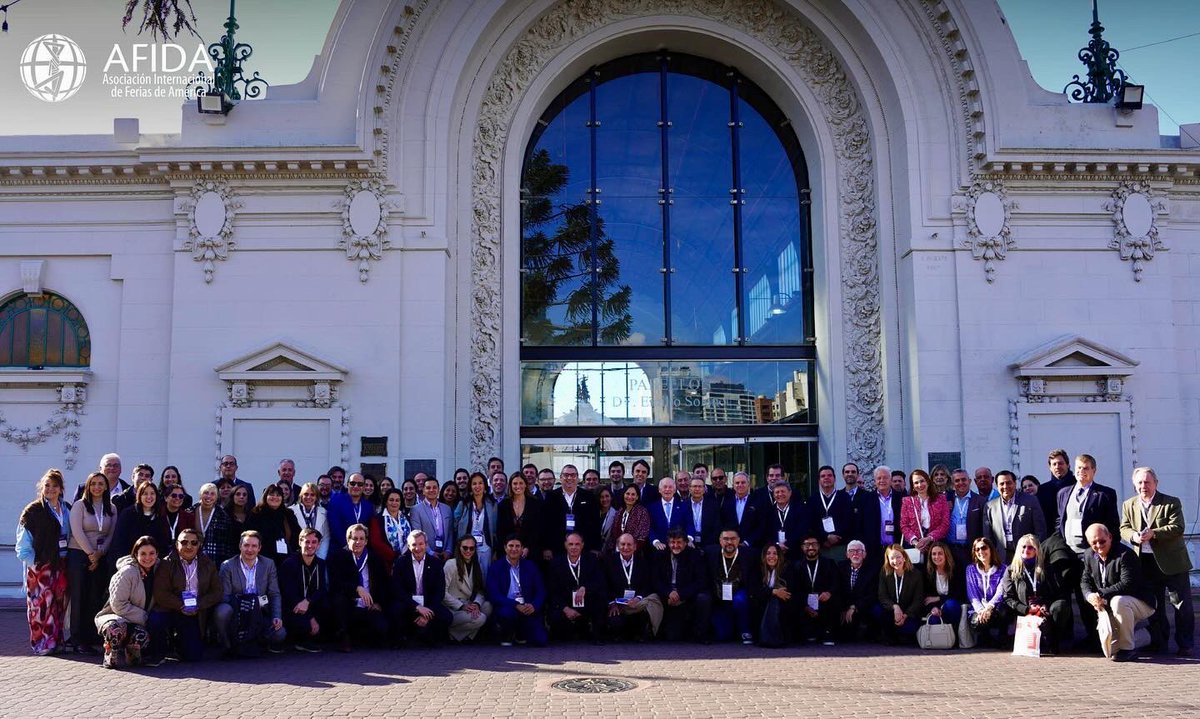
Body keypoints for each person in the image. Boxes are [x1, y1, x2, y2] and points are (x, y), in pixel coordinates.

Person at [1119, 466, 1193, 656]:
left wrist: (1154, 533)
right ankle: (1160, 642)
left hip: (1172, 562)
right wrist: (1134, 536)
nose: (1144, 486)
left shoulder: (1170, 502)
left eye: (1147, 482)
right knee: (1154, 606)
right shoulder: (1129, 504)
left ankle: (1185, 644)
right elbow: (1124, 528)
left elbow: (1178, 527)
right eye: (1140, 483)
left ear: (1156, 484)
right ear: (1135, 485)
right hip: (1145, 562)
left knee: (1181, 605)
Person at [1056, 453, 1119, 651]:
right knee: (1069, 594)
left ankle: (1096, 638)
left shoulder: (1105, 494)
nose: (1081, 472)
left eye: (1085, 468)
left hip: (1092, 553)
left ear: (1093, 471)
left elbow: (1113, 526)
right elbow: (1060, 520)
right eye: (1078, 468)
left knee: (1090, 596)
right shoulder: (1064, 492)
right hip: (1069, 552)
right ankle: (1069, 637)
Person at [16, 468, 72, 656]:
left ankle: (57, 641)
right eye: (47, 485)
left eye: (55, 486)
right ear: (42, 487)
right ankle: (42, 644)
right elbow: (23, 543)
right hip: (41, 566)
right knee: (40, 607)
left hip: (61, 564)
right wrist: (34, 564)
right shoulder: (33, 511)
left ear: (61, 488)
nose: (50, 489)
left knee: (58, 604)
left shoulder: (67, 508)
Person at [1081, 523, 1155, 661]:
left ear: (1110, 537)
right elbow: (1085, 581)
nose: (1098, 545)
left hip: (1139, 601)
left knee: (1118, 601)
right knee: (1110, 650)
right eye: (1094, 543)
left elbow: (1127, 584)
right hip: (1109, 602)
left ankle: (1128, 649)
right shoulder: (1088, 555)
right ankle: (1146, 636)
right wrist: (1090, 596)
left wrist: (1101, 594)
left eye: (1102, 541)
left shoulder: (1125, 554)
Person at [150, 527, 222, 661]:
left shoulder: (208, 564)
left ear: (199, 545)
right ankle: (158, 650)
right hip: (172, 608)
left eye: (194, 543)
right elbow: (160, 592)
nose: (189, 546)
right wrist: (181, 605)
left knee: (193, 656)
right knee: (155, 620)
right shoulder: (166, 563)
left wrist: (199, 605)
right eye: (184, 542)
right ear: (177, 544)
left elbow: (217, 592)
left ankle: (179, 645)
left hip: (196, 611)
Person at [214, 530, 286, 656]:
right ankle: (227, 644)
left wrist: (276, 616)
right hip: (236, 611)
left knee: (280, 634)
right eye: (246, 545)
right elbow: (224, 597)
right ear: (240, 546)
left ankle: (254, 643)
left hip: (259, 610)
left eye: (254, 546)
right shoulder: (228, 566)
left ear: (259, 548)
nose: (250, 549)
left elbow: (274, 594)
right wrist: (244, 606)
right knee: (222, 611)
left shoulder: (269, 564)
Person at [999, 533, 1072, 656]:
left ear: (1037, 550)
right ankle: (1008, 640)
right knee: (1003, 609)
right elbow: (1008, 597)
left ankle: (1053, 640)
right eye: (1024, 547)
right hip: (1022, 609)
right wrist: (1026, 609)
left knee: (1061, 606)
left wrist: (1046, 605)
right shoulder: (1011, 570)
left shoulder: (1047, 568)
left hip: (1043, 608)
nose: (1026, 550)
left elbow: (1058, 592)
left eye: (1031, 547)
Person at [66, 470, 114, 654]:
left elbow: (110, 533)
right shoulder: (79, 506)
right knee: (79, 597)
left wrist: (100, 554)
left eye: (101, 484)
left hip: (100, 557)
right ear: (88, 486)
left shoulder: (111, 507)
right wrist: (90, 554)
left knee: (94, 597)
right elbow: (77, 531)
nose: (97, 487)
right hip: (79, 555)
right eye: (93, 483)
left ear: (105, 487)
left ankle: (91, 636)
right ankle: (77, 639)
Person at [95, 536, 160, 669]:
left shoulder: (159, 570)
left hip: (136, 622)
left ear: (157, 554)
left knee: (142, 636)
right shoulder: (127, 572)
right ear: (135, 554)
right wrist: (144, 617)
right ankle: (110, 653)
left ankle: (132, 652)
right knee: (115, 630)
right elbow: (118, 604)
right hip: (116, 617)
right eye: (143, 554)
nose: (148, 558)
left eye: (152, 553)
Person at [327, 524, 391, 652]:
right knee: (339, 601)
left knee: (382, 629)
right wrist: (356, 588)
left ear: (366, 541)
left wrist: (379, 603)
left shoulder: (374, 558)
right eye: (354, 538)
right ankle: (344, 636)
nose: (358, 542)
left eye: (362, 539)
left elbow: (384, 584)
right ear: (348, 540)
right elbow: (336, 584)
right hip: (348, 603)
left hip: (369, 605)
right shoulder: (337, 557)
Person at [391, 529, 451, 646]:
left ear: (426, 545)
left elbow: (439, 592)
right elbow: (397, 590)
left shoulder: (435, 563)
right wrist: (417, 607)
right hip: (409, 604)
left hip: (428, 604)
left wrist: (428, 612)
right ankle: (406, 637)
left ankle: (427, 635)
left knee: (447, 617)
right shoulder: (400, 563)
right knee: (395, 611)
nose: (417, 548)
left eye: (421, 544)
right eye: (414, 545)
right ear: (408, 546)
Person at [486, 535, 548, 647]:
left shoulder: (531, 566)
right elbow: (493, 594)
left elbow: (541, 590)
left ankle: (520, 634)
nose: (514, 549)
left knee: (540, 640)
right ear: (505, 548)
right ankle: (506, 635)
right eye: (511, 546)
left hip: (527, 607)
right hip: (507, 607)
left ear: (522, 548)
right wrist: (514, 604)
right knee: (507, 614)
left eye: (517, 546)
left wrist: (534, 605)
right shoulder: (496, 567)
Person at [652, 528, 711, 643]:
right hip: (668, 598)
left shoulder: (695, 555)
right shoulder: (660, 555)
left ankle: (702, 634)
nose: (675, 546)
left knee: (704, 598)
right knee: (673, 637)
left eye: (679, 542)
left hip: (688, 596)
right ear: (668, 543)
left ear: (685, 543)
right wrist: (668, 593)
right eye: (672, 542)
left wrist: (681, 595)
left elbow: (701, 581)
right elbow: (655, 580)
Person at [547, 532, 607, 643]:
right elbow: (552, 591)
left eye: (577, 544)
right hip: (566, 605)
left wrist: (585, 588)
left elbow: (600, 582)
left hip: (587, 603)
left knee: (600, 603)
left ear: (582, 545)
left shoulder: (592, 561)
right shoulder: (556, 563)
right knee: (556, 618)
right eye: (571, 544)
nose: (574, 547)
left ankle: (595, 635)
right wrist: (565, 608)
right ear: (565, 545)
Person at [603, 532, 663, 641]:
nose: (626, 548)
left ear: (635, 547)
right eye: (623, 544)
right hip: (617, 605)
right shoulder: (608, 561)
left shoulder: (643, 562)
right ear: (618, 546)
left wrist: (638, 598)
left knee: (644, 614)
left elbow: (648, 584)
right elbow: (603, 586)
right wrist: (612, 603)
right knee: (616, 624)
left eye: (629, 545)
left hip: (636, 604)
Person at [278, 527, 329, 653]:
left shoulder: (321, 564)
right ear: (300, 542)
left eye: (314, 542)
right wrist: (310, 618)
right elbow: (288, 593)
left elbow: (322, 589)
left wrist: (308, 601)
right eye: (306, 542)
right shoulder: (289, 564)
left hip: (309, 604)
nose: (310, 545)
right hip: (293, 606)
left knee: (328, 609)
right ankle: (298, 641)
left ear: (318, 545)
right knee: (304, 624)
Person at [983, 470, 1047, 563]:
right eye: (1002, 484)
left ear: (1015, 483)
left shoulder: (1030, 501)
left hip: (1026, 553)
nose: (1005, 486)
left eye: (1009, 483)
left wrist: (1036, 551)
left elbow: (1040, 529)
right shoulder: (990, 506)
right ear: (997, 486)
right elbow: (988, 535)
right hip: (1001, 556)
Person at [708, 528, 756, 644]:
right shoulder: (710, 554)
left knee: (741, 599)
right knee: (722, 636)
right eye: (726, 539)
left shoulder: (749, 555)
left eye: (733, 539)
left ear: (738, 540)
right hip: (719, 599)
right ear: (720, 541)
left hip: (738, 597)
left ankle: (745, 630)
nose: (729, 542)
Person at [109, 481, 171, 570]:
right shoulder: (128, 514)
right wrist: (135, 564)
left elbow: (163, 544)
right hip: (129, 565)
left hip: (152, 565)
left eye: (152, 493)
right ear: (139, 496)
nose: (149, 497)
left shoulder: (160, 516)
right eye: (145, 494)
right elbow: (119, 543)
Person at [542, 464, 600, 557]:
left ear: (577, 478)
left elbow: (595, 523)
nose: (569, 478)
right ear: (560, 478)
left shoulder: (588, 496)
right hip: (557, 548)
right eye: (566, 475)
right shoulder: (551, 497)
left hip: (584, 548)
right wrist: (546, 548)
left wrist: (595, 548)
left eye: (573, 475)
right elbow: (545, 524)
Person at [443, 535, 492, 642]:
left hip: (468, 604)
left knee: (487, 607)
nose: (468, 551)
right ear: (459, 548)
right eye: (465, 548)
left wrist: (476, 604)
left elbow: (480, 590)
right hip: (453, 608)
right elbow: (443, 592)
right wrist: (461, 606)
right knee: (481, 618)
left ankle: (460, 636)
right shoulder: (450, 564)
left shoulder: (476, 565)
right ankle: (454, 634)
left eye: (471, 548)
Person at [875, 544, 925, 645]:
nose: (895, 561)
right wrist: (895, 607)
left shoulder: (916, 574)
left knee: (907, 634)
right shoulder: (884, 572)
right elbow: (882, 595)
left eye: (898, 557)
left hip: (909, 612)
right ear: (888, 560)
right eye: (892, 558)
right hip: (891, 610)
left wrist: (905, 615)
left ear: (904, 557)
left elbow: (918, 600)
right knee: (877, 609)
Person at [794, 536, 838, 645]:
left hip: (824, 602)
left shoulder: (829, 563)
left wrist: (829, 592)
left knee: (834, 598)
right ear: (802, 547)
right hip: (805, 604)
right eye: (807, 544)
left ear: (819, 546)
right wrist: (805, 606)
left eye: (814, 544)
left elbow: (836, 583)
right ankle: (808, 632)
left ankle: (828, 632)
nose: (810, 547)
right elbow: (794, 589)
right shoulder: (796, 566)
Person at [964, 537, 1008, 648]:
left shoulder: (1003, 569)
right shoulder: (970, 569)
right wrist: (980, 611)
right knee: (977, 622)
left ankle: (1002, 639)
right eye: (977, 549)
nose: (981, 552)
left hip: (995, 607)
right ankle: (984, 638)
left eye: (984, 548)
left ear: (991, 550)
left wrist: (989, 608)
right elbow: (972, 593)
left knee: (1004, 612)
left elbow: (1000, 592)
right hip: (979, 609)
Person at [752, 542, 796, 647]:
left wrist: (775, 594)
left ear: (779, 556)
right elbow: (754, 590)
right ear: (764, 556)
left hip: (783, 605)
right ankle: (765, 637)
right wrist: (773, 592)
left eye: (775, 553)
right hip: (761, 604)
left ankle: (776, 638)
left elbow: (788, 592)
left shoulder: (788, 569)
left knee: (776, 601)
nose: (771, 556)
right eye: (768, 553)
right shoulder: (757, 569)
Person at [247, 484, 302, 566]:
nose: (275, 497)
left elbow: (298, 534)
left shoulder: (288, 514)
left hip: (286, 561)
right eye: (271, 494)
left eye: (278, 495)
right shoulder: (256, 514)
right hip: (262, 561)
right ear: (265, 496)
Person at [835, 540, 879, 642]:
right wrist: (844, 608)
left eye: (859, 551)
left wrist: (854, 607)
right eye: (851, 551)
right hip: (845, 605)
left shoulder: (873, 570)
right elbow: (837, 590)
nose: (855, 554)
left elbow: (873, 594)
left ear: (864, 554)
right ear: (847, 554)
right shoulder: (840, 567)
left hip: (863, 605)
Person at [861, 466, 903, 569]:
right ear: (875, 481)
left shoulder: (901, 498)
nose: (882, 481)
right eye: (879, 478)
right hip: (873, 549)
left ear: (890, 479)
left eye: (885, 477)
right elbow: (860, 525)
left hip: (896, 548)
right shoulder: (866, 499)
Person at [455, 472, 498, 573]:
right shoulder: (463, 504)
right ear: (470, 486)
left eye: (480, 483)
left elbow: (496, 528)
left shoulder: (492, 504)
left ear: (485, 486)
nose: (477, 486)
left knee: (484, 578)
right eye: (474, 484)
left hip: (486, 548)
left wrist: (495, 549)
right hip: (467, 548)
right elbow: (455, 524)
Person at [946, 468, 987, 571]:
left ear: (969, 481)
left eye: (963, 480)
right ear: (952, 483)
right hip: (950, 550)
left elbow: (984, 527)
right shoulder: (946, 499)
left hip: (971, 550)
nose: (961, 483)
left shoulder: (980, 501)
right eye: (957, 480)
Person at [497, 473, 542, 559]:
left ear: (525, 484)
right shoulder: (503, 505)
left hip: (530, 551)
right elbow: (500, 530)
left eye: (521, 483)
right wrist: (509, 548)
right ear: (510, 485)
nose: (518, 486)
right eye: (515, 483)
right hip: (508, 551)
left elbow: (537, 529)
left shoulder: (535, 504)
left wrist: (527, 547)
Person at [411, 475, 456, 561]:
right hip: (426, 555)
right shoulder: (416, 510)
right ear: (423, 491)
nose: (431, 490)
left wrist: (448, 551)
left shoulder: (447, 509)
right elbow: (417, 534)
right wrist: (430, 552)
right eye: (428, 488)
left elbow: (450, 532)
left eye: (434, 487)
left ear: (438, 490)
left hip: (444, 555)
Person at [326, 472, 375, 552]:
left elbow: (369, 529)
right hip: (340, 550)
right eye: (353, 483)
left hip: (361, 550)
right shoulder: (336, 501)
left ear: (363, 487)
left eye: (360, 484)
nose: (356, 486)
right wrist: (348, 545)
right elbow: (335, 526)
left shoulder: (368, 506)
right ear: (347, 484)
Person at [921, 541, 964, 627]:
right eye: (934, 554)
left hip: (952, 605)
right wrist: (933, 608)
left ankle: (954, 636)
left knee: (951, 605)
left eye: (940, 553)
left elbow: (959, 594)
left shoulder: (956, 569)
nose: (936, 557)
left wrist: (938, 598)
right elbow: (927, 597)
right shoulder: (928, 572)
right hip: (936, 606)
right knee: (933, 620)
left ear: (946, 555)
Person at [369, 488, 412, 570]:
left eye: (397, 500)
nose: (394, 503)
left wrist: (406, 556)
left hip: (407, 561)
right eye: (391, 500)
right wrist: (395, 556)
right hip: (386, 564)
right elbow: (376, 543)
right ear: (386, 502)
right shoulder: (377, 519)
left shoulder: (407, 518)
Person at [194, 482, 237, 565]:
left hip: (214, 559)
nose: (209, 496)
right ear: (200, 494)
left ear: (217, 497)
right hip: (191, 556)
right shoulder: (190, 512)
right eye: (206, 493)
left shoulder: (223, 516)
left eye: (212, 494)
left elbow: (227, 543)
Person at [721, 472, 761, 550]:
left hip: (751, 547)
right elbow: (723, 523)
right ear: (733, 485)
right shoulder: (726, 502)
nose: (740, 485)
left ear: (748, 484)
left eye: (743, 482)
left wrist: (747, 542)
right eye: (737, 483)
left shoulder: (757, 502)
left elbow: (760, 526)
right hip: (730, 547)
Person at [290, 482, 331, 559]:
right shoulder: (290, 511)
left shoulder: (324, 512)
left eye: (312, 495)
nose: (309, 497)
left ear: (316, 497)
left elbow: (326, 538)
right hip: (296, 556)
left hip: (319, 556)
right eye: (306, 494)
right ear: (301, 496)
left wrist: (320, 557)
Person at [764, 481, 806, 556]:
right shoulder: (768, 512)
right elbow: (766, 532)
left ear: (790, 493)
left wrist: (786, 544)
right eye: (777, 492)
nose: (780, 494)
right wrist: (777, 545)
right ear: (773, 495)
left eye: (783, 491)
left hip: (795, 553)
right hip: (775, 554)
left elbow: (802, 530)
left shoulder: (800, 509)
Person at [606, 484, 650, 553]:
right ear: (624, 495)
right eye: (627, 494)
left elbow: (643, 535)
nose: (630, 497)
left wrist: (629, 548)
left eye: (633, 494)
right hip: (617, 550)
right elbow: (613, 533)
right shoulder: (620, 511)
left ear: (637, 497)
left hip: (634, 551)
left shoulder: (642, 512)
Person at [1039, 448, 1074, 531]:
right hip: (1051, 537)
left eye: (1060, 463)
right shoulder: (1042, 490)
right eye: (1054, 464)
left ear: (1068, 465)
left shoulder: (1078, 486)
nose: (1057, 467)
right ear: (1050, 467)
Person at [647, 477, 686, 551]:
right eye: (665, 487)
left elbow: (689, 524)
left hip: (679, 546)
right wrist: (655, 541)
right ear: (659, 490)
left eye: (670, 487)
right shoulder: (651, 507)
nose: (667, 489)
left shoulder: (683, 505)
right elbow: (649, 527)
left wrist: (688, 539)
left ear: (674, 490)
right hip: (659, 547)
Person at [684, 476, 721, 552]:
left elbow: (717, 527)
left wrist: (709, 545)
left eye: (700, 486)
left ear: (704, 489)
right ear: (689, 488)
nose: (697, 489)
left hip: (709, 545)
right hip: (688, 545)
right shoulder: (682, 506)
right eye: (694, 486)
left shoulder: (713, 505)